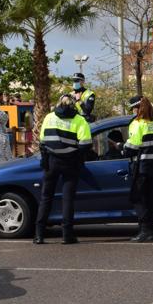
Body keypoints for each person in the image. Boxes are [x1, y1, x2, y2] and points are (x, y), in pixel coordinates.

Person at [35, 93, 92, 245]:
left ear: (59, 103)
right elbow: (86, 144)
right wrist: (76, 156)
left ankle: (39, 235)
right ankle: (67, 235)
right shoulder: (79, 120)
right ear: (74, 104)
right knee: (68, 199)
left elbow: (42, 141)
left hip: (51, 162)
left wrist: (46, 158)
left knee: (46, 198)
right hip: (70, 163)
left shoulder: (49, 117)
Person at [124, 94, 153, 243]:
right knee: (150, 199)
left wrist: (122, 148)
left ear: (137, 108)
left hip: (141, 167)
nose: (132, 112)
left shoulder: (137, 123)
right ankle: (151, 231)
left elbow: (132, 146)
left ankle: (144, 231)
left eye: (132, 109)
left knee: (138, 199)